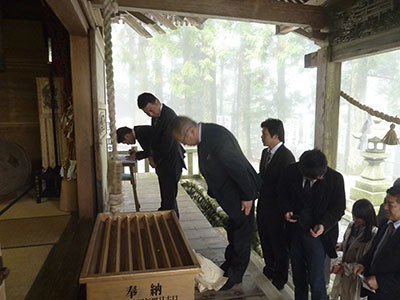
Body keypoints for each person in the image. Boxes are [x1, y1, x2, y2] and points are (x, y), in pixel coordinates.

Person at [171, 116, 261, 291]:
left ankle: (235, 275)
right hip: (231, 195)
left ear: (190, 131)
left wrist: (247, 196)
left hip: (240, 195)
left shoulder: (217, 136)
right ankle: (230, 264)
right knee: (234, 230)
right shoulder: (205, 137)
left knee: (242, 233)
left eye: (183, 140)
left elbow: (237, 167)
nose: (185, 144)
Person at [281, 149, 346, 300]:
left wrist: (323, 225)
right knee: (298, 276)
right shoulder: (290, 172)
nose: (315, 180)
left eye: (318, 178)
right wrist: (286, 210)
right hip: (295, 231)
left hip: (318, 235)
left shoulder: (335, 179)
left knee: (317, 279)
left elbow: (338, 209)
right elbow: (282, 194)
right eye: (311, 179)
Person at [257, 118, 295, 290]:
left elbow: (287, 187)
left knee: (278, 243)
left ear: (275, 135)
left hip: (278, 209)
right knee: (265, 238)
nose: (261, 137)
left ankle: (280, 276)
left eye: (264, 134)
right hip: (264, 206)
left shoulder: (287, 157)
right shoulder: (266, 153)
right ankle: (269, 267)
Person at [137, 93, 185, 217]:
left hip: (172, 161)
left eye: (151, 110)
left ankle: (173, 227)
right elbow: (155, 139)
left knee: (169, 197)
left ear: (157, 101)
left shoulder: (170, 116)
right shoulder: (157, 116)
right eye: (148, 113)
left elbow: (166, 144)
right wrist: (149, 155)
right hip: (164, 161)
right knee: (167, 196)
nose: (151, 115)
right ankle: (168, 221)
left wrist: (154, 159)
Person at [353, 185, 400, 300]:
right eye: (385, 202)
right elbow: (374, 250)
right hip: (374, 291)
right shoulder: (385, 223)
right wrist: (363, 263)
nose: (385, 207)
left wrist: (381, 282)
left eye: (391, 204)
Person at [330, 199, 378, 300]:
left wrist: (344, 268)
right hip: (344, 273)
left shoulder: (373, 234)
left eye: (358, 218)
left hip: (356, 276)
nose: (355, 219)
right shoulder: (352, 226)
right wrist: (341, 245)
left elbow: (365, 259)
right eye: (354, 216)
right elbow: (348, 243)